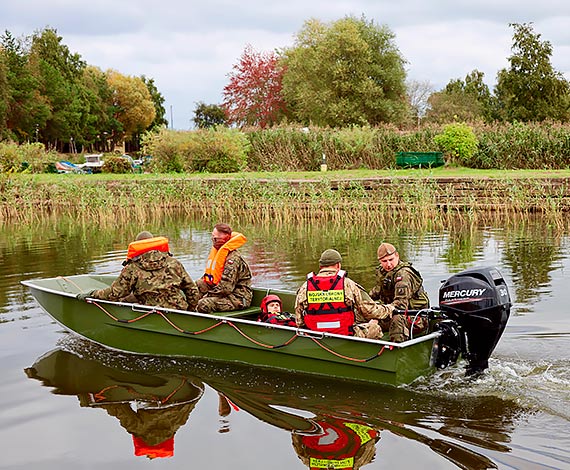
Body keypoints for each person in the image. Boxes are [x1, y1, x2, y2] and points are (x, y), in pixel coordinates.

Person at [77, 231, 200, 311]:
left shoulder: (132, 268)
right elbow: (191, 289)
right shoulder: (174, 263)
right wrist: (191, 310)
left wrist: (93, 294)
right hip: (179, 310)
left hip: (149, 312)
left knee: (126, 299)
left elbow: (114, 294)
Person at [294, 249, 394, 339]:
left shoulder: (306, 286)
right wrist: (389, 309)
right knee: (374, 327)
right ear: (338, 265)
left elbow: (299, 320)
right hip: (345, 335)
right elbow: (368, 311)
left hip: (315, 335)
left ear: (320, 266)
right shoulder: (347, 284)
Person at [369, 242, 430, 342]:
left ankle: (398, 351)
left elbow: (400, 305)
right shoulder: (383, 273)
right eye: (384, 261)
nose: (388, 264)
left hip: (416, 317)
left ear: (397, 256)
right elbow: (376, 292)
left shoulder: (404, 274)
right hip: (393, 311)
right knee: (360, 312)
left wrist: (378, 316)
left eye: (391, 259)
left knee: (396, 319)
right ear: (379, 261)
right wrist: (362, 303)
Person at [195, 223, 253, 313]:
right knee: (197, 286)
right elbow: (210, 278)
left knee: (204, 304)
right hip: (223, 292)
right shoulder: (219, 254)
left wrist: (207, 295)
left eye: (215, 238)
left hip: (237, 298)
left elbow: (225, 288)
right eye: (212, 237)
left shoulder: (233, 260)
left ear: (225, 238)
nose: (213, 240)